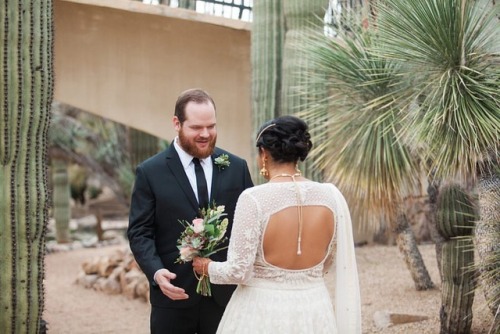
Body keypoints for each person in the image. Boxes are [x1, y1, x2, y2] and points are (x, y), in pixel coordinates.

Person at [193, 115, 362, 333]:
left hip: (262, 310)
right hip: (314, 308)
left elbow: (238, 271)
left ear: (264, 153)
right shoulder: (331, 196)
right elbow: (328, 261)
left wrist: (206, 266)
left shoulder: (254, 198)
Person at [127, 88, 254, 334]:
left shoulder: (237, 167)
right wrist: (156, 272)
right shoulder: (150, 172)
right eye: (196, 128)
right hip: (173, 298)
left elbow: (250, 226)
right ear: (177, 123)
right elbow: (139, 232)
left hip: (226, 297)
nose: (205, 134)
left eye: (211, 126)